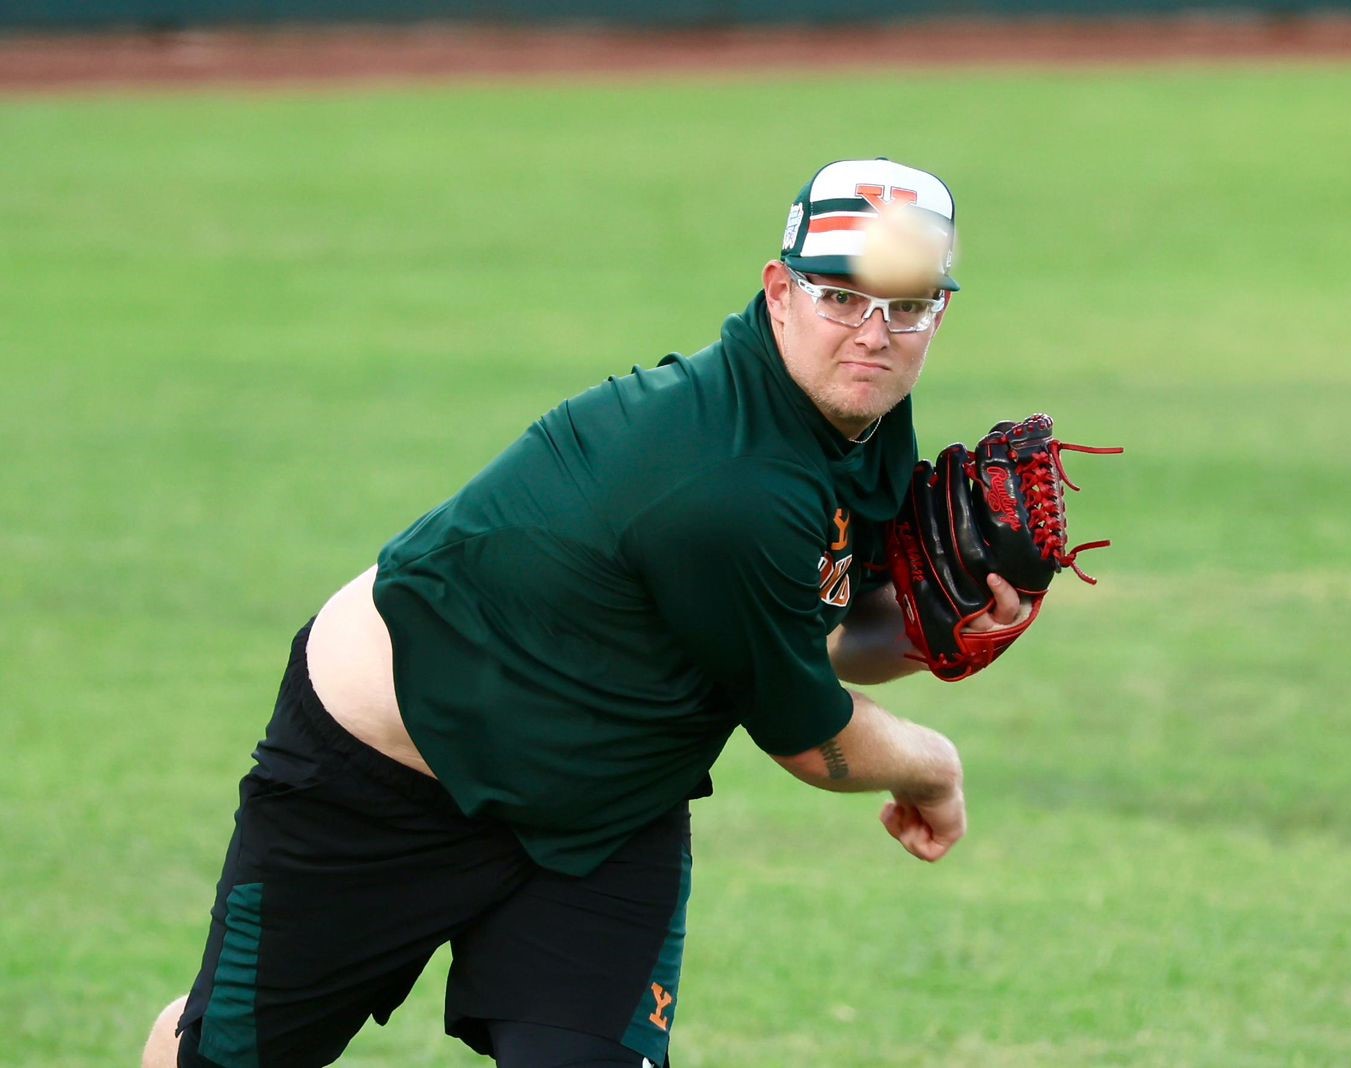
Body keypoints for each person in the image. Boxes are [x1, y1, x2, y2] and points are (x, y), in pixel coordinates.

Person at [142, 158, 1034, 1068]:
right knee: (225, 1060)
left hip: (605, 807)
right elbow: (811, 739)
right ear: (780, 292)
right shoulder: (728, 480)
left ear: (939, 313)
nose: (874, 334)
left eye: (906, 306)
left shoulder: (860, 420)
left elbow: (809, 631)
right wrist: (935, 769)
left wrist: (935, 632)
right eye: (841, 298)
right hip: (385, 777)